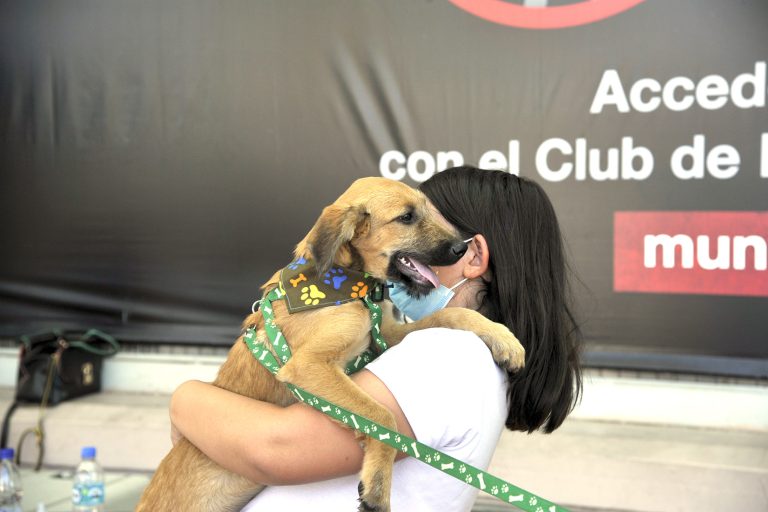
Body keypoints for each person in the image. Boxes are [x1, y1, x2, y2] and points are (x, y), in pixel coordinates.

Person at [169, 166, 583, 511]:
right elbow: (371, 344)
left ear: (473, 256)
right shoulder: (443, 342)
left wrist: (184, 397)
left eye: (433, 222)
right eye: (410, 220)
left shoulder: (448, 356)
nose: (430, 240)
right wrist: (457, 318)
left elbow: (276, 448)